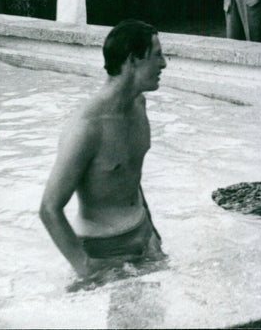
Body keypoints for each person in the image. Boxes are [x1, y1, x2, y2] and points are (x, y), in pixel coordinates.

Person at [40, 19, 167, 278]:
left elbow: (131, 176)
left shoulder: (138, 105)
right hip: (103, 248)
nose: (164, 64)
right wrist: (85, 266)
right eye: (157, 56)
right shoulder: (86, 128)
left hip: (144, 234)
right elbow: (49, 208)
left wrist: (152, 230)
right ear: (133, 60)